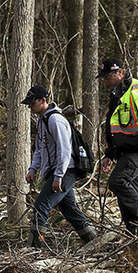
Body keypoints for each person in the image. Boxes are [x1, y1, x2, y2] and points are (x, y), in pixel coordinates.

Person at [22, 85, 97, 247]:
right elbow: (40, 149)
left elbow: (65, 150)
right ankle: (94, 241)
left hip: (66, 171)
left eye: (32, 103)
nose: (29, 106)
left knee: (41, 205)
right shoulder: (42, 121)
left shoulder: (55, 120)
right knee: (70, 210)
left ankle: (34, 248)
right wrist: (32, 169)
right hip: (58, 172)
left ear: (43, 100)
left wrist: (58, 176)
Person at [96, 58, 138, 234]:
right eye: (103, 77)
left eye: (108, 76)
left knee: (118, 182)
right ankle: (135, 230)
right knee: (128, 189)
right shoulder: (117, 93)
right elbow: (112, 127)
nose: (105, 81)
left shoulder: (137, 90)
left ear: (120, 72)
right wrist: (109, 154)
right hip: (124, 151)